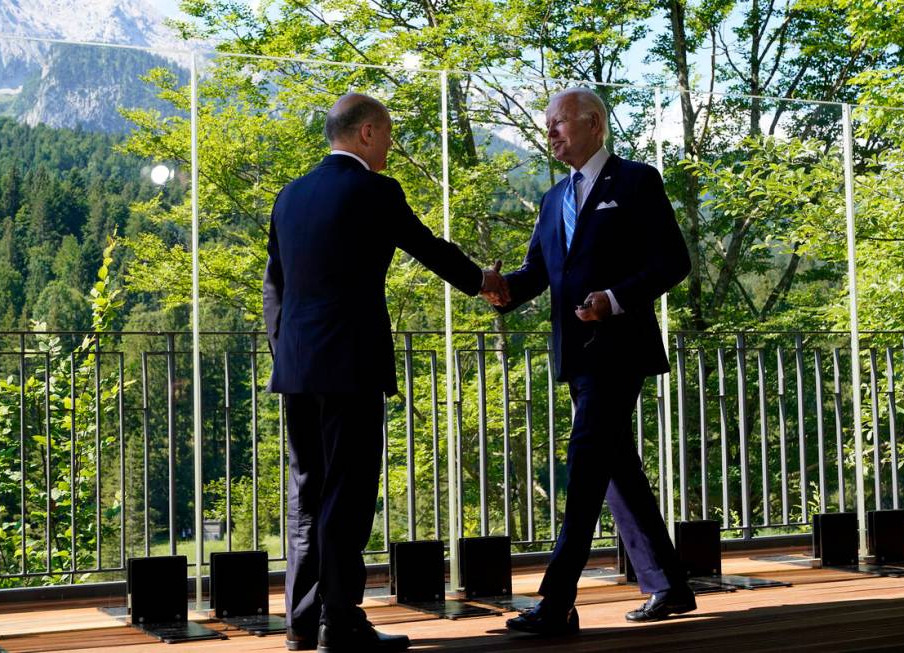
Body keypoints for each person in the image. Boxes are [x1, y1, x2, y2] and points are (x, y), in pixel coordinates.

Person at [263, 93, 509, 652]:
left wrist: (286, 354)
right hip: (350, 365)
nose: (391, 145)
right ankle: (341, 622)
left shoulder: (290, 196)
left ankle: (302, 622)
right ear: (367, 133)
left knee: (308, 493)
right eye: (389, 133)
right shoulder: (374, 190)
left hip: (298, 369)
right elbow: (428, 247)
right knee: (347, 497)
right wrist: (484, 282)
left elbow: (273, 287)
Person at [482, 87, 694, 636]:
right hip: (576, 357)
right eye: (547, 125)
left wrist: (615, 299)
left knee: (583, 466)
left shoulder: (637, 181)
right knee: (616, 465)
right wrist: (501, 289)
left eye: (558, 123)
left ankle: (557, 602)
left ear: (593, 124)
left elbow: (673, 261)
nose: (549, 133)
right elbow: (537, 272)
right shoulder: (554, 198)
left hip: (620, 352)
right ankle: (669, 585)